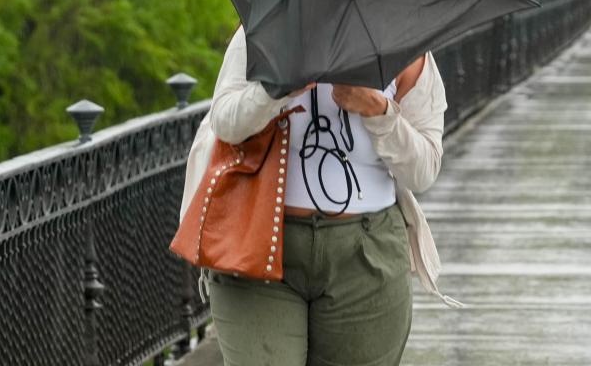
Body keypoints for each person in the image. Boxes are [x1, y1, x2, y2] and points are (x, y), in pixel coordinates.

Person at [179, 26, 462, 366]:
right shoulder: (268, 27)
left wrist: (379, 109)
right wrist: (278, 89)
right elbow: (225, 121)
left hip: (366, 255)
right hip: (259, 243)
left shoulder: (404, 43)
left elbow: (424, 170)